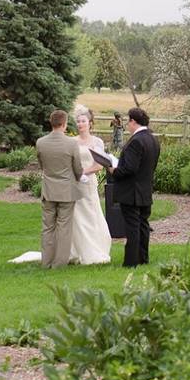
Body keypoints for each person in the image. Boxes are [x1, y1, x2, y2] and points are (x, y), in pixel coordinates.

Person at [108, 107, 160, 268]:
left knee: (132, 226)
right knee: (143, 225)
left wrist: (114, 170)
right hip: (145, 188)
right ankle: (143, 258)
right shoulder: (152, 139)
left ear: (133, 121)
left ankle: (131, 261)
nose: (127, 125)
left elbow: (129, 168)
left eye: (128, 121)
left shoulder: (136, 141)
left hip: (132, 191)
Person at [35, 110, 83, 268]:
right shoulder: (71, 143)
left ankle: (46, 262)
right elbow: (78, 168)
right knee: (64, 228)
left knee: (47, 227)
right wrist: (77, 177)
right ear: (64, 124)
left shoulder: (41, 142)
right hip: (67, 191)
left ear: (51, 123)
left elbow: (42, 166)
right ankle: (59, 263)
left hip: (48, 190)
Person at [70, 107, 112, 265]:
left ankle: (94, 248)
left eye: (83, 121)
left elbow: (99, 165)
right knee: (77, 216)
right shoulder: (72, 142)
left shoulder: (97, 142)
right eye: (78, 121)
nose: (80, 124)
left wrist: (83, 172)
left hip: (88, 183)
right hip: (75, 183)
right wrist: (75, 174)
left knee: (91, 213)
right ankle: (77, 250)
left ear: (90, 123)